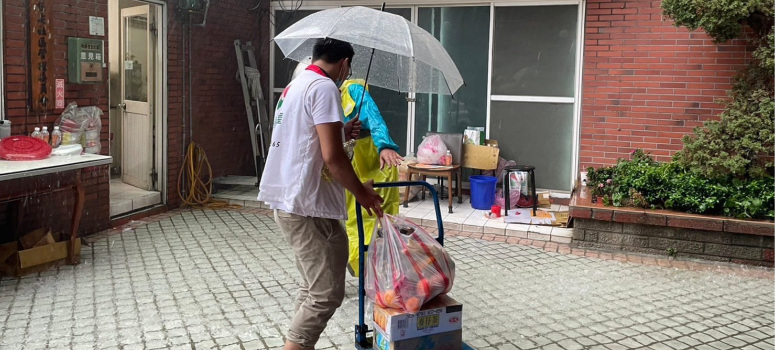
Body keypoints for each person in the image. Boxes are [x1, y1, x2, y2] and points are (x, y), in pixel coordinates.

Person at [258, 38, 384, 350]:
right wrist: (363, 194)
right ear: (344, 64)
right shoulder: (325, 88)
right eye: (348, 68)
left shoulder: (296, 85)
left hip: (291, 199)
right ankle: (296, 345)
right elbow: (333, 158)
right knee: (326, 293)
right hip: (306, 204)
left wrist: (342, 131)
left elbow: (305, 137)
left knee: (313, 286)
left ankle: (299, 344)